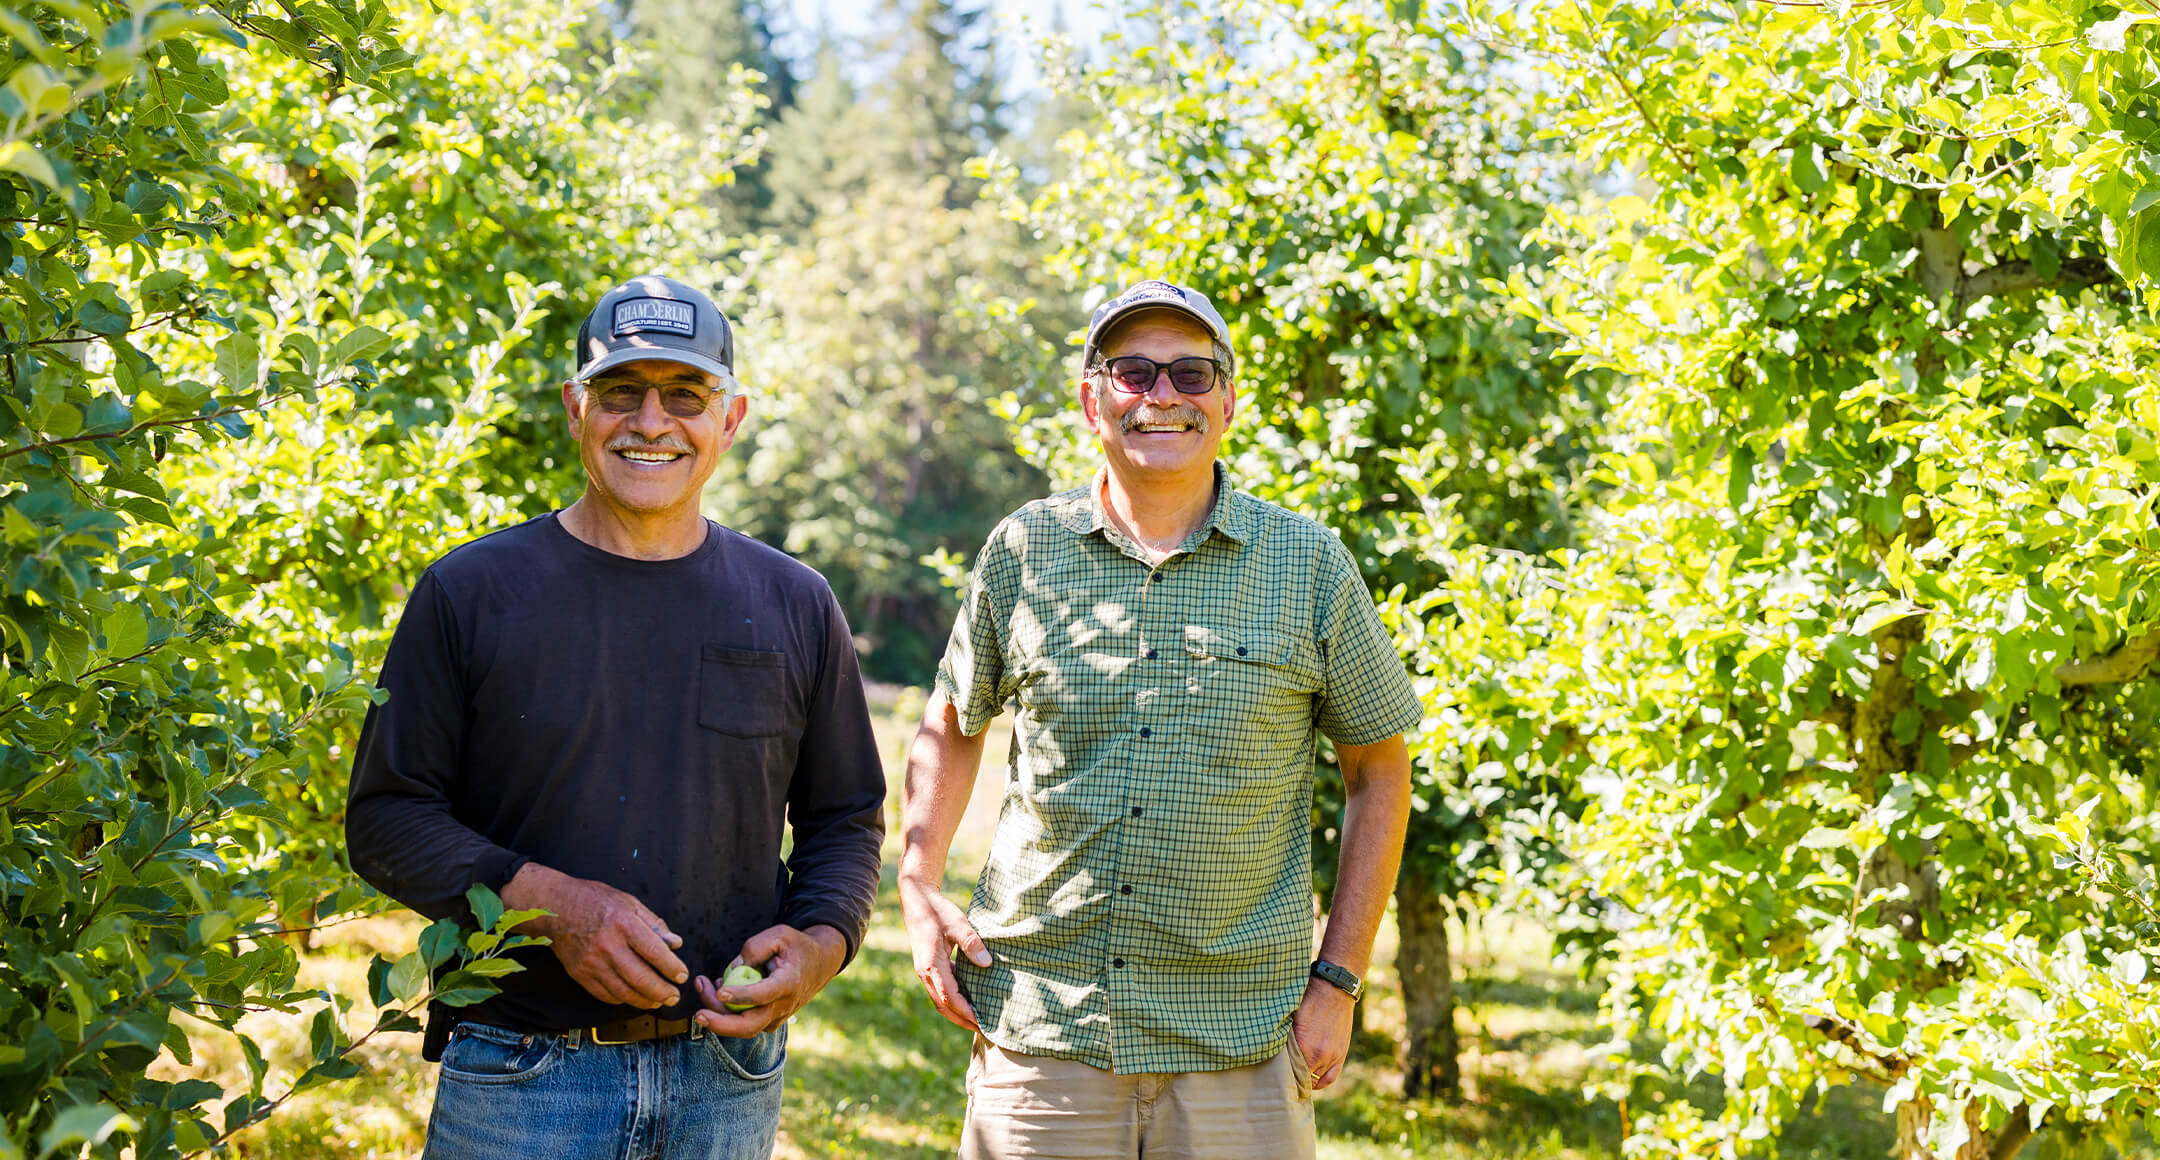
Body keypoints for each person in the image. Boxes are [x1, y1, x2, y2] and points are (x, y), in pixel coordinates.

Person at [346, 274, 886, 1160]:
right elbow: (386, 820)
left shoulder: (794, 602)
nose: (651, 420)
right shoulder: (472, 592)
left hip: (728, 1076)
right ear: (574, 407)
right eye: (619, 392)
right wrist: (548, 903)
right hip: (521, 1074)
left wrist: (825, 939)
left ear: (732, 417)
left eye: (686, 394)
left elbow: (845, 816)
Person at [897, 278, 1420, 1158]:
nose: (1162, 397)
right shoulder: (1024, 549)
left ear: (1228, 401)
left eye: (1190, 374)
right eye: (1133, 372)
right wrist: (917, 885)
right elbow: (952, 725)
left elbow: (1380, 770)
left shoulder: (1310, 565)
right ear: (1091, 398)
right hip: (1040, 1029)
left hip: (1243, 1042)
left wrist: (1338, 979)